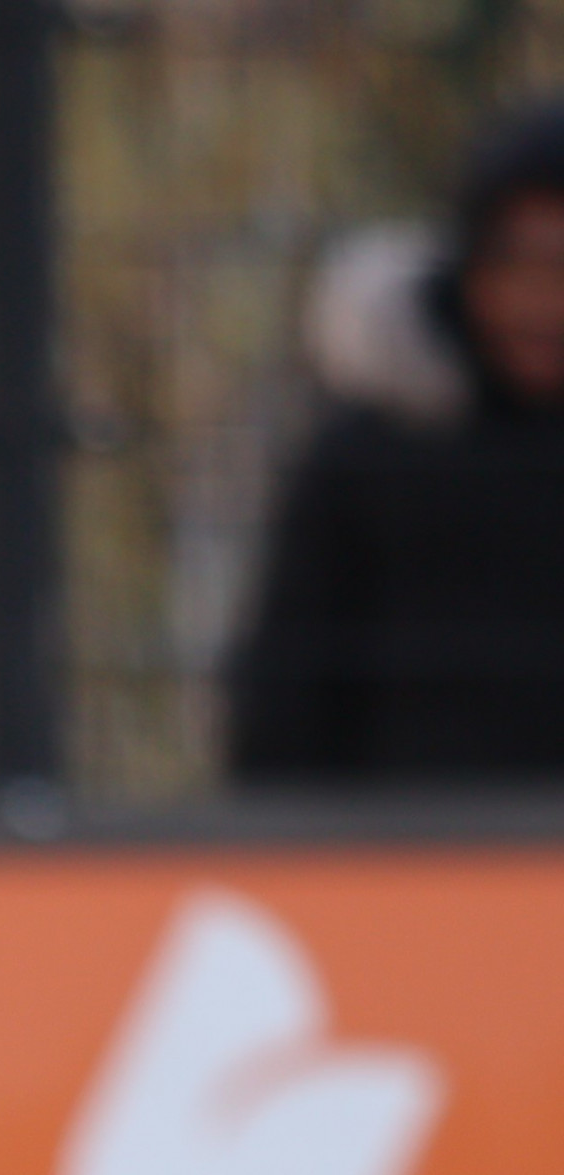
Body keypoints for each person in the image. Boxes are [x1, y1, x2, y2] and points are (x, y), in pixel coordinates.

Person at [229, 99, 564, 783]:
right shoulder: (371, 456)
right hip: (400, 862)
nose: (541, 299)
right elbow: (288, 694)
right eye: (516, 261)